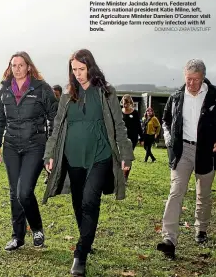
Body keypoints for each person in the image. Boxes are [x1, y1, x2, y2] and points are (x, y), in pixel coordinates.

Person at [42, 49, 134, 276]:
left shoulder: (106, 93)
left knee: (90, 200)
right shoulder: (66, 97)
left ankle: (80, 254)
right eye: (74, 70)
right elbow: (57, 128)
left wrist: (126, 154)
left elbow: (119, 125)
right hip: (73, 158)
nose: (78, 74)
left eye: (81, 69)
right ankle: (87, 237)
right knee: (77, 203)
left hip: (100, 156)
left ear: (90, 68)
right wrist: (49, 154)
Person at [157, 59, 216, 259]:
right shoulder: (176, 97)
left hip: (207, 152)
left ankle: (201, 228)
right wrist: (168, 140)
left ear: (203, 77)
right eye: (188, 79)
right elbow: (165, 120)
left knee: (203, 194)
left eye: (195, 79)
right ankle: (169, 239)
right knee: (175, 192)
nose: (190, 83)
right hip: (182, 150)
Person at [0, 51, 58, 251]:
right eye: (14, 65)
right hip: (11, 145)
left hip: (35, 146)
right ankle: (17, 237)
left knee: (24, 191)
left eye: (21, 65)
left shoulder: (41, 88)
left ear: (29, 66)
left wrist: (52, 146)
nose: (17, 69)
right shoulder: (4, 90)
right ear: (10, 67)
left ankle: (37, 229)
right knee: (14, 193)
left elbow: (54, 116)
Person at [121, 94, 143, 181]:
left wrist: (141, 138)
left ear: (130, 103)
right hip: (121, 137)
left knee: (127, 157)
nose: (125, 105)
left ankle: (125, 177)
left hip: (132, 139)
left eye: (127, 103)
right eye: (123, 103)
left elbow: (138, 126)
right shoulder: (120, 112)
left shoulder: (135, 113)